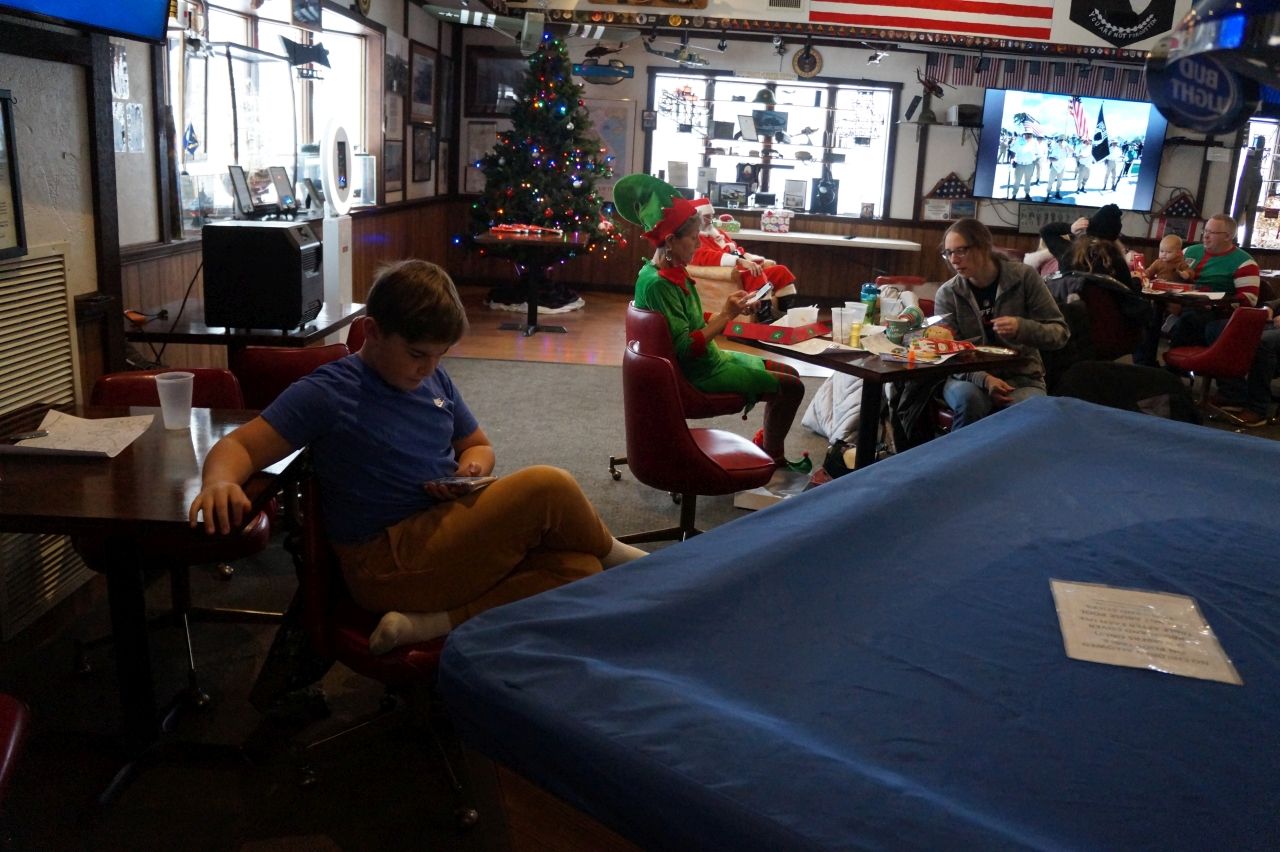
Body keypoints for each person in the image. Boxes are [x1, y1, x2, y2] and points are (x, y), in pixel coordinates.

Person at [188, 259, 646, 654]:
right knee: (548, 486)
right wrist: (219, 482)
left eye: (439, 356)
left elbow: (478, 445)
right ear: (373, 331)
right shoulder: (329, 391)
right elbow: (239, 446)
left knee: (577, 569)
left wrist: (471, 469)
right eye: (417, 354)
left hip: (437, 531)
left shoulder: (433, 380)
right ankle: (635, 564)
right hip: (382, 562)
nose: (428, 368)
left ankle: (432, 623)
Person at [614, 173, 806, 469]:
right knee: (793, 387)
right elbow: (686, 349)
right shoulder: (660, 284)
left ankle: (768, 446)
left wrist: (729, 310)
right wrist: (726, 316)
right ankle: (774, 458)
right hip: (700, 373)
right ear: (670, 240)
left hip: (710, 360)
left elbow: (691, 319)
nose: (697, 246)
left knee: (790, 373)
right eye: (693, 239)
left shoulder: (662, 273)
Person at [933, 218, 1069, 428]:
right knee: (970, 400)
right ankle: (963, 451)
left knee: (1027, 411)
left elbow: (1060, 333)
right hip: (968, 378)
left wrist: (1022, 328)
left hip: (1022, 378)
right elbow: (949, 354)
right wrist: (985, 380)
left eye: (961, 251)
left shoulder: (1024, 277)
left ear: (984, 247)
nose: (953, 260)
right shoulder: (948, 293)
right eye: (948, 253)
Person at [693, 201, 798, 322]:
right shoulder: (695, 238)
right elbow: (707, 256)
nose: (711, 220)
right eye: (707, 217)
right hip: (731, 277)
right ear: (697, 218)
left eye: (712, 216)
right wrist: (740, 261)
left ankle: (786, 316)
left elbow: (736, 251)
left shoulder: (718, 234)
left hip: (743, 271)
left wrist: (749, 258)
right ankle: (765, 319)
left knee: (781, 272)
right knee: (758, 276)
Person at [1009, 131, 1039, 200]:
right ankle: (1014, 195)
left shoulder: (1035, 142)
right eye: (1027, 134)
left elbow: (1038, 153)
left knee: (1028, 181)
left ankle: (1027, 194)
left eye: (1030, 134)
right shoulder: (1019, 141)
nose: (1028, 135)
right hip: (1020, 164)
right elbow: (1013, 151)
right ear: (1024, 134)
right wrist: (1012, 159)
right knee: (1017, 181)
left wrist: (1034, 161)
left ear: (1032, 135)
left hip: (1030, 165)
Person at [1044, 136, 1069, 200]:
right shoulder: (1055, 148)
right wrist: (1055, 159)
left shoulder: (1066, 148)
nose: (1062, 142)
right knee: (1051, 181)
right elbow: (1050, 158)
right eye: (1061, 141)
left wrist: (1067, 145)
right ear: (1058, 141)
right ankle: (1048, 193)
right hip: (1054, 167)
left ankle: (1057, 192)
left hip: (1062, 167)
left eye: (1063, 141)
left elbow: (1072, 151)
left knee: (1059, 182)